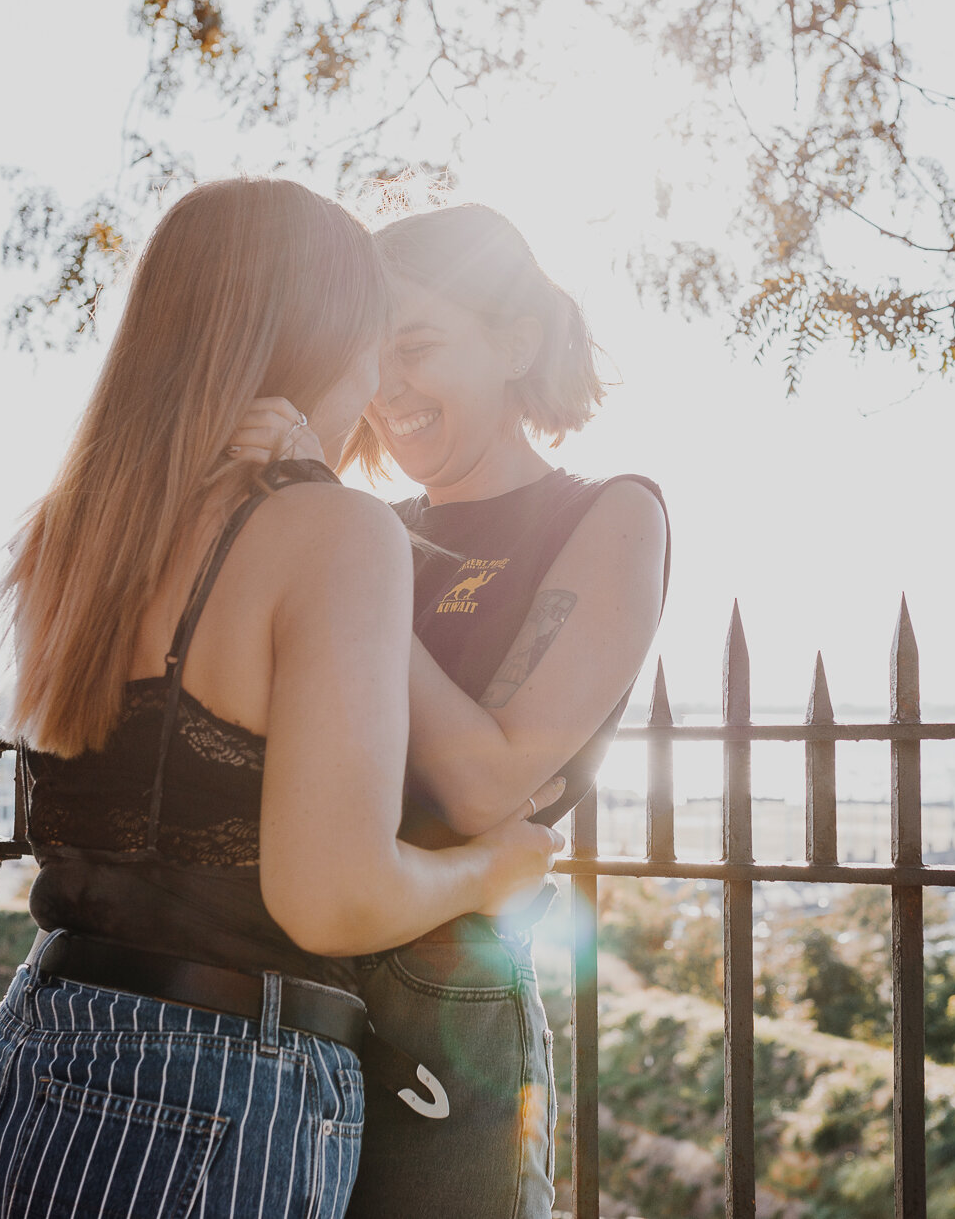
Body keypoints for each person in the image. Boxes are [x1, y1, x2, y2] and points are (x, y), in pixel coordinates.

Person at [0, 179, 562, 1219]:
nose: (373, 382)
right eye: (373, 338)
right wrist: (487, 868)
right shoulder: (332, 530)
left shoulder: (68, 534)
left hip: (28, 1053)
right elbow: (331, 896)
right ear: (323, 334)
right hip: (215, 1090)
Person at [231, 203, 668, 1219]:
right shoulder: (362, 524)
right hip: (288, 969)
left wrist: (331, 535)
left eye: (417, 347)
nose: (385, 387)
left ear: (514, 341)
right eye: (369, 355)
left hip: (443, 996)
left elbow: (484, 781)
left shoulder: (609, 512)